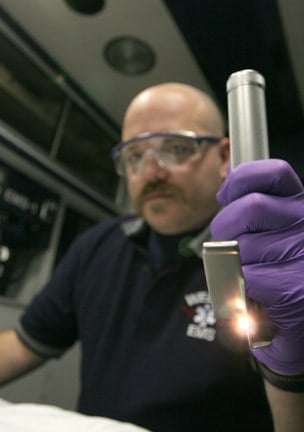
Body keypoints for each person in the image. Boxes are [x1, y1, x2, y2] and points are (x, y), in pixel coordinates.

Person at [0, 82, 303, 432]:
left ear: (224, 157)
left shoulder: (264, 258)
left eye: (175, 148)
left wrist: (292, 372)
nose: (152, 171)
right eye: (135, 155)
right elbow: (25, 343)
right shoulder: (97, 245)